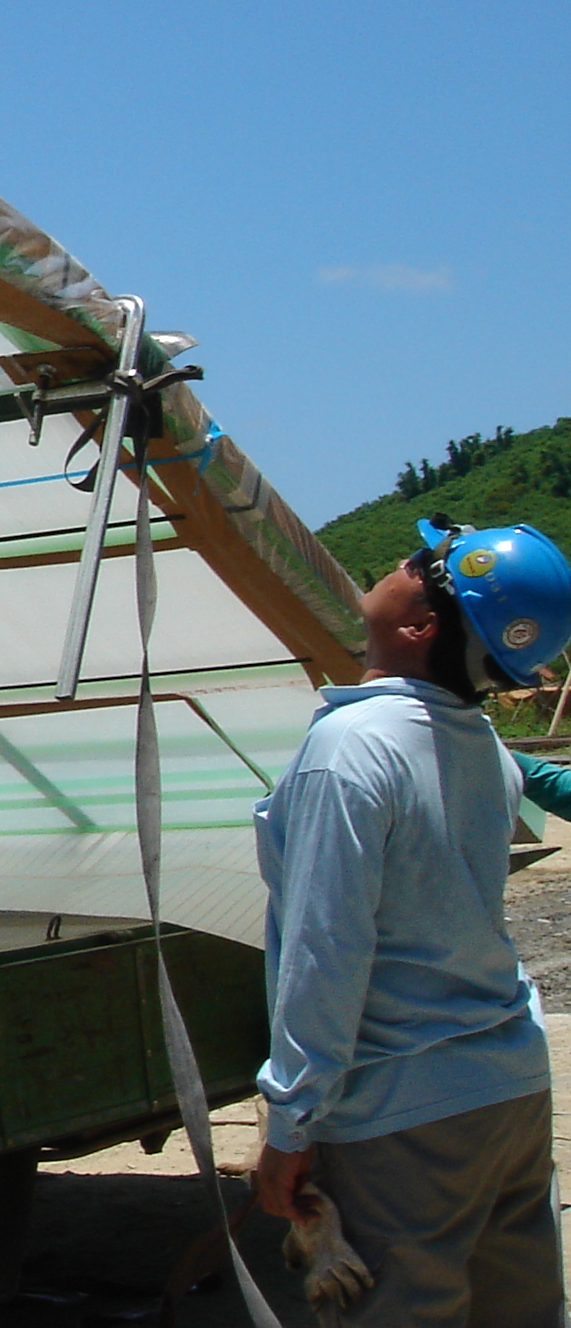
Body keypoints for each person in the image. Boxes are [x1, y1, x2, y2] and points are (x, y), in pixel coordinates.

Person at [251, 518, 571, 1326]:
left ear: (421, 624)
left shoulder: (350, 749)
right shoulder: (480, 743)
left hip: (406, 1113)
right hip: (510, 1088)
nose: (399, 561)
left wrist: (290, 1122)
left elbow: (328, 951)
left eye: (419, 562)